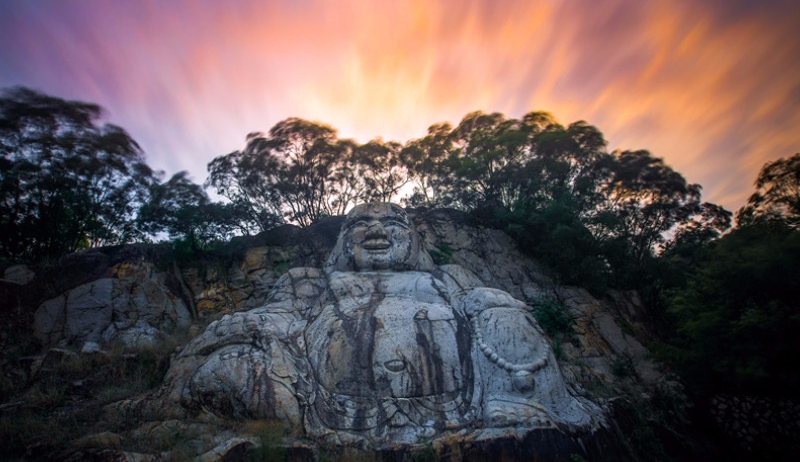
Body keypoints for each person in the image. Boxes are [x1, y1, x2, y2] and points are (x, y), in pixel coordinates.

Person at [165, 203, 595, 445]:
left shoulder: (446, 277)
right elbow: (281, 317)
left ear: (412, 239)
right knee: (228, 369)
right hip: (326, 396)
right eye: (361, 224)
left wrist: (488, 303)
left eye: (391, 224)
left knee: (496, 304)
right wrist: (240, 324)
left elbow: (485, 312)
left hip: (465, 392)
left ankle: (515, 399)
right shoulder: (309, 280)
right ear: (343, 241)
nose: (376, 230)